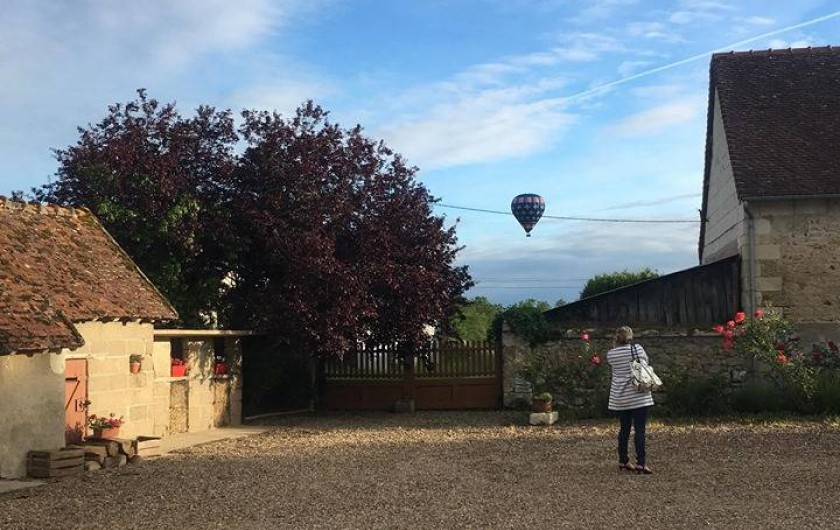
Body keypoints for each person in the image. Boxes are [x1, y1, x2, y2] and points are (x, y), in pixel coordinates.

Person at [606, 325, 654, 474]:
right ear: (630, 337)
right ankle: (641, 463)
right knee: (640, 430)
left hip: (620, 397)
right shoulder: (637, 349)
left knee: (624, 429)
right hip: (638, 395)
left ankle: (623, 460)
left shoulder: (611, 354)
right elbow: (645, 362)